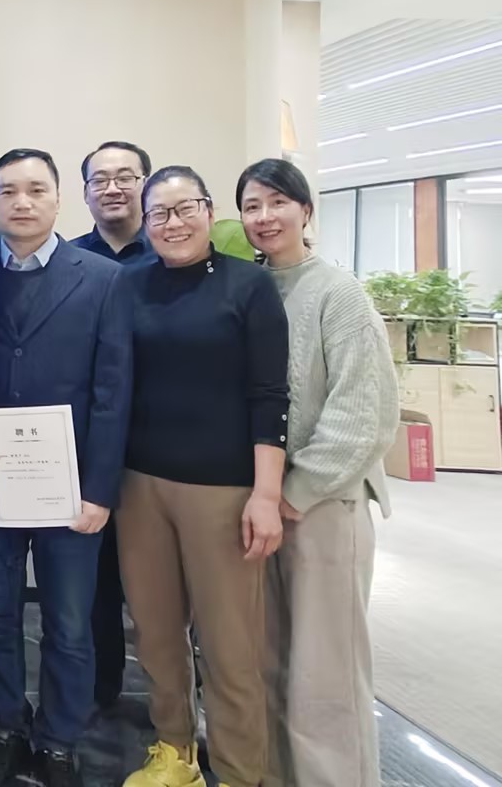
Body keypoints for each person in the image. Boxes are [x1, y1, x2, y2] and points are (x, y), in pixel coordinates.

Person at [0, 148, 132, 787]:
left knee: (69, 622)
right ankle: (7, 725)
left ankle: (58, 739)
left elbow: (113, 392)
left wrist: (101, 490)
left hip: (72, 485)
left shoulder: (104, 278)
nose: (22, 202)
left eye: (36, 190)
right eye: (8, 191)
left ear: (59, 199)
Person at [118, 166, 289, 787]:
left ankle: (243, 771)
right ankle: (175, 752)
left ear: (209, 212)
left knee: (230, 645)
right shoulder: (129, 285)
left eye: (185, 208)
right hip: (139, 487)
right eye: (158, 213)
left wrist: (266, 494)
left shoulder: (249, 286)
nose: (172, 223)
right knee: (156, 634)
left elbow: (270, 394)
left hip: (224, 491)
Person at [237, 158, 397, 787]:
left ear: (306, 210)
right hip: (261, 506)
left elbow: (364, 416)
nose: (265, 217)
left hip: (324, 506)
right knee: (270, 658)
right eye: (252, 205)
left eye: (278, 202)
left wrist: (291, 493)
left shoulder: (339, 292)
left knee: (325, 671)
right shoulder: (250, 287)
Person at [74, 140, 154, 709]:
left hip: (158, 444)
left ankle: (174, 701)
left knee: (160, 582)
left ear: (146, 184)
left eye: (125, 176)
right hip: (94, 444)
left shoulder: (171, 253)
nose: (112, 188)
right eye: (99, 179)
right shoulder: (71, 261)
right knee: (95, 578)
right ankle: (100, 691)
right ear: (83, 193)